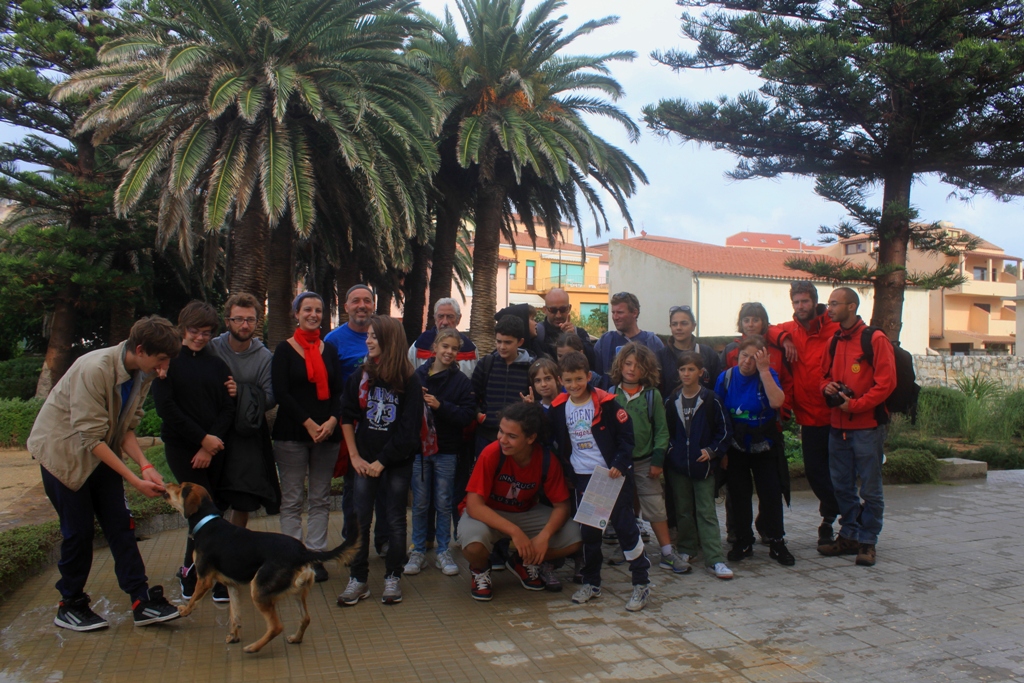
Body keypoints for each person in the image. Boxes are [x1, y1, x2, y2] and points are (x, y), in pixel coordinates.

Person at [28, 316, 182, 631]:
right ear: (140, 349)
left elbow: (125, 427)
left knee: (121, 525)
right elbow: (91, 438)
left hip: (101, 453)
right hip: (65, 456)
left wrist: (146, 465)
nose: (163, 368)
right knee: (79, 531)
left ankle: (141, 600)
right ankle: (69, 603)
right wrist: (134, 480)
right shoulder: (95, 369)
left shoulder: (142, 373)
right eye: (161, 360)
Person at [550, 351, 653, 612]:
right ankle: (591, 583)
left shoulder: (607, 404)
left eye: (578, 379)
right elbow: (551, 437)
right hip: (583, 478)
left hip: (609, 477)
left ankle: (641, 583)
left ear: (588, 377)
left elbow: (626, 437)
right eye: (568, 380)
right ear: (561, 380)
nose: (574, 385)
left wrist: (619, 463)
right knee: (590, 534)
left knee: (625, 529)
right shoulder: (559, 407)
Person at [152, 301, 236, 603]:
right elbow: (166, 409)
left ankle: (207, 572)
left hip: (215, 447)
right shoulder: (167, 363)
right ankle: (193, 573)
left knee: (214, 510)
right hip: (184, 448)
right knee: (201, 512)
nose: (200, 337)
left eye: (206, 332)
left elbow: (229, 405)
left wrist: (212, 442)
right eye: (194, 331)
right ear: (182, 328)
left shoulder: (217, 364)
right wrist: (201, 440)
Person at [457, 402, 583, 601]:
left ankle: (522, 561)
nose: (502, 440)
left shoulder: (547, 460)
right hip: (488, 512)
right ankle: (480, 570)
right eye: (501, 432)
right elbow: (473, 505)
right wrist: (515, 532)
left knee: (575, 536)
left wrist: (544, 536)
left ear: (531, 438)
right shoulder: (491, 453)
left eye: (512, 436)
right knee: (473, 544)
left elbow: (562, 506)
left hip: (525, 512)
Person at [338, 315, 424, 606]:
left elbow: (409, 431)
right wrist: (354, 457)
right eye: (368, 335)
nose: (369, 339)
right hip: (363, 462)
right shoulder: (360, 375)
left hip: (396, 462)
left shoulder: (410, 379)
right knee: (359, 520)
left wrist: (382, 462)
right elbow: (347, 415)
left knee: (396, 521)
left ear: (390, 339)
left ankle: (392, 577)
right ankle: (358, 579)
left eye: (375, 335)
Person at [818, 287, 896, 567]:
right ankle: (849, 534)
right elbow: (823, 376)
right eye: (829, 303)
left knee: (871, 489)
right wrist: (826, 386)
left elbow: (886, 384)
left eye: (835, 304)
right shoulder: (835, 340)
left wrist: (855, 406)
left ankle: (868, 541)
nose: (830, 308)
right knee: (842, 486)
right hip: (837, 427)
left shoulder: (874, 339)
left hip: (867, 426)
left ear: (852, 307)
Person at [271, 292, 343, 583]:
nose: (313, 314)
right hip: (291, 434)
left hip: (327, 433)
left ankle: (314, 556)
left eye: (318, 310)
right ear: (296, 314)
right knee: (291, 499)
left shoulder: (330, 350)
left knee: (320, 498)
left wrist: (332, 421)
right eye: (307, 309)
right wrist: (309, 423)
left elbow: (339, 391)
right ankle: (292, 558)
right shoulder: (284, 350)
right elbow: (281, 393)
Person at [716, 336, 795, 567]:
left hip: (765, 444)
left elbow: (777, 401)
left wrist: (764, 370)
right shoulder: (727, 378)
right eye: (744, 356)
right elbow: (718, 414)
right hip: (736, 446)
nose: (747, 362)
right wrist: (722, 452)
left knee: (771, 493)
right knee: (739, 494)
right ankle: (743, 540)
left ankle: (777, 541)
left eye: (754, 357)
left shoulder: (767, 375)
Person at [608, 343, 686, 574]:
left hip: (644, 461)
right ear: (620, 365)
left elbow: (662, 431)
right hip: (619, 464)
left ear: (647, 369)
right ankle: (628, 547)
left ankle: (667, 553)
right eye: (628, 363)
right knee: (622, 507)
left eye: (638, 365)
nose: (632, 369)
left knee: (655, 506)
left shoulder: (652, 396)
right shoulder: (610, 395)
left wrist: (657, 460)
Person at [405, 328, 476, 578]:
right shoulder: (417, 375)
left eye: (454, 349)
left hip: (447, 450)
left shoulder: (461, 381)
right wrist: (417, 401)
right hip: (420, 451)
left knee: (445, 501)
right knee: (421, 502)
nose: (449, 352)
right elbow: (405, 409)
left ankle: (444, 549)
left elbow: (467, 416)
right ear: (435, 347)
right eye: (445, 346)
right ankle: (418, 550)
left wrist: (440, 405)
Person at [208, 292, 281, 528]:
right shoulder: (211, 348)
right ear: (227, 320)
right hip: (212, 429)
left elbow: (271, 398)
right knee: (210, 497)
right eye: (238, 319)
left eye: (250, 319)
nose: (244, 324)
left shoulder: (264, 357)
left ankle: (234, 550)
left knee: (243, 497)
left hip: (246, 435)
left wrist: (240, 392)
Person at [777, 282, 841, 549]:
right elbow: (767, 329)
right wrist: (783, 339)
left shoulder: (835, 327)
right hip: (810, 417)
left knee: (839, 473)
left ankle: (829, 523)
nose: (800, 307)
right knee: (816, 474)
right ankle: (853, 512)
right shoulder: (789, 330)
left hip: (839, 414)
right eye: (796, 302)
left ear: (815, 302)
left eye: (805, 302)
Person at [664, 351, 734, 580]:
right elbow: (665, 432)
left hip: (703, 467)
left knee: (706, 512)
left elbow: (724, 431)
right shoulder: (672, 400)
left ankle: (715, 559)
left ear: (700, 373)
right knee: (683, 511)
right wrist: (672, 452)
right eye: (682, 369)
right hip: (678, 467)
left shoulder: (711, 399)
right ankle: (687, 549)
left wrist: (712, 451)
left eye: (691, 369)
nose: (686, 373)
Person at [324, 284, 380, 548]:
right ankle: (352, 542)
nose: (362, 305)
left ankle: (383, 540)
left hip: (382, 423)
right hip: (350, 426)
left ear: (374, 305)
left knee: (384, 485)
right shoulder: (333, 341)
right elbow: (329, 387)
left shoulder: (384, 334)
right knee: (353, 486)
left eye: (367, 301)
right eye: (355, 301)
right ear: (345, 307)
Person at [471, 314, 535, 456]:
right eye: (498, 342)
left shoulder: (531, 368)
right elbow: (471, 396)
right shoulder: (486, 364)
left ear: (520, 342)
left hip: (517, 440)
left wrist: (531, 405)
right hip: (486, 436)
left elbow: (541, 402)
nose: (502, 347)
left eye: (507, 342)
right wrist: (478, 414)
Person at [593, 291, 665, 380]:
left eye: (620, 312)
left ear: (634, 313)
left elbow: (661, 378)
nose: (615, 317)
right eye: (613, 312)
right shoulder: (604, 342)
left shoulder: (652, 342)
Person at [656, 305, 720, 396]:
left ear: (693, 326)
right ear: (670, 327)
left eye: (684, 323)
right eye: (674, 324)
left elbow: (717, 387)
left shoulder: (708, 354)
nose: (678, 327)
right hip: (670, 409)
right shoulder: (660, 356)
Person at [407, 297, 479, 377]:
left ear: (458, 319)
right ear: (435, 318)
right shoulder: (419, 346)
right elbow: (409, 376)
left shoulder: (470, 349)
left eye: (450, 316)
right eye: (440, 316)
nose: (445, 322)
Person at [537, 288, 595, 368]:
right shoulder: (538, 333)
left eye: (563, 309)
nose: (558, 315)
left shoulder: (579, 333)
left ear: (569, 308)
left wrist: (574, 340)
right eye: (553, 310)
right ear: (545, 310)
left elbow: (593, 362)